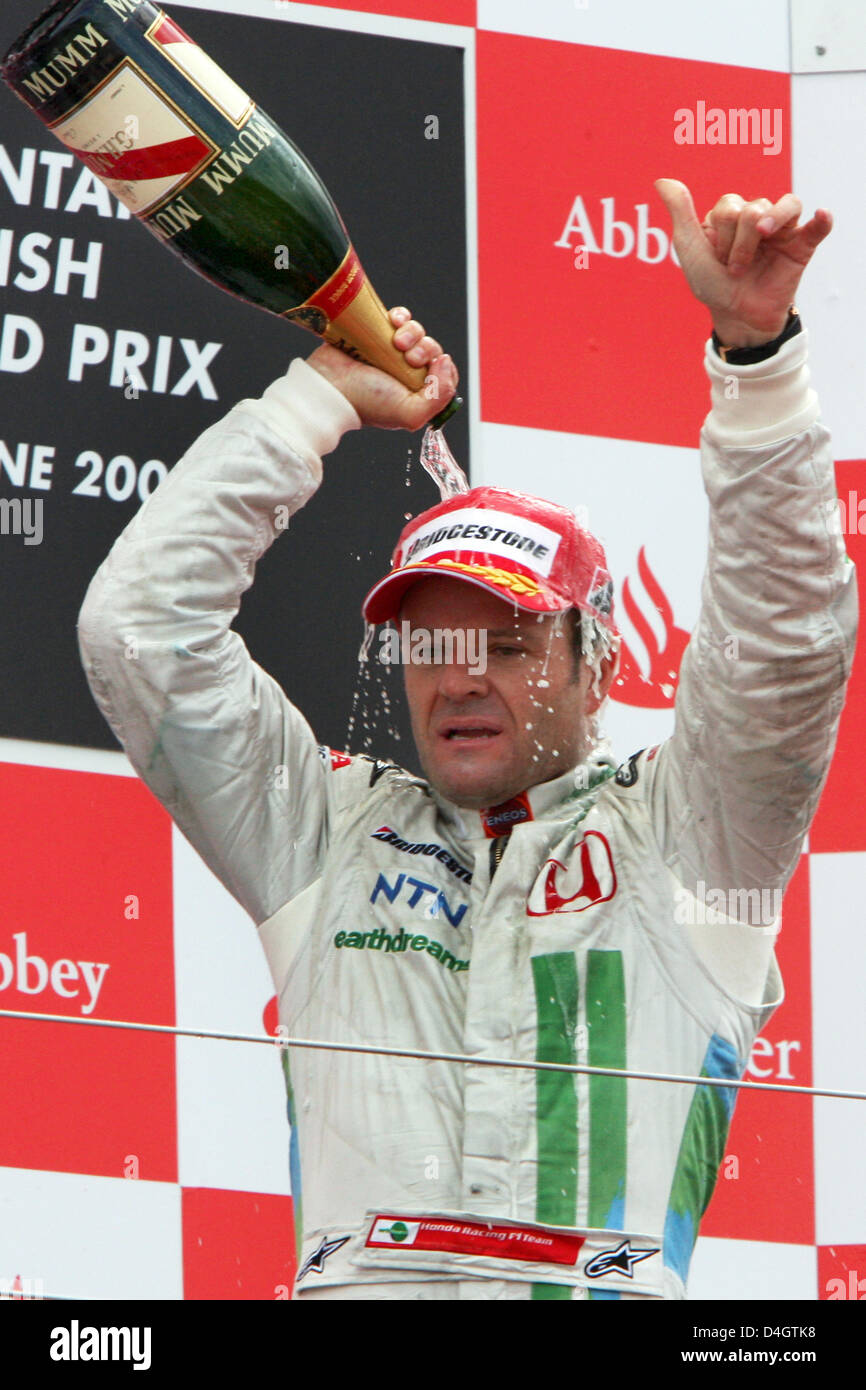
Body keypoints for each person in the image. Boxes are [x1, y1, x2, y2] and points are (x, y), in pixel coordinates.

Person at [78, 179, 855, 1300]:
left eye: (506, 640)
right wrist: (318, 401)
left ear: (596, 669)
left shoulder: (690, 842)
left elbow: (783, 649)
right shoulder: (327, 835)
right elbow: (138, 631)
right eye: (428, 643)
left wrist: (755, 359)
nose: (459, 676)